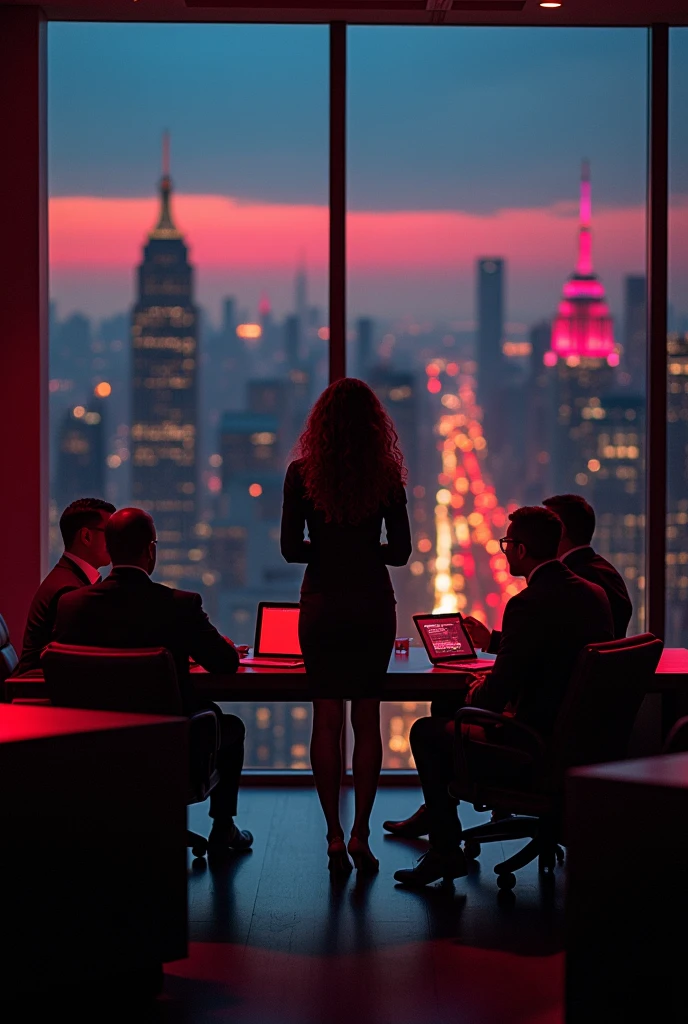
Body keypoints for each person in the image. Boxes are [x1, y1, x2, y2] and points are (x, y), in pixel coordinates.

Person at [393, 505, 613, 887]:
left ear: (522, 550)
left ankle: (445, 851)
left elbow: (492, 701)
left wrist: (482, 686)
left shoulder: (527, 604)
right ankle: (443, 833)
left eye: (507, 543)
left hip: (533, 746)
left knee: (426, 732)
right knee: (448, 708)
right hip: (581, 741)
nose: (503, 550)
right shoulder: (594, 594)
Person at [53, 507, 252, 852]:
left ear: (110, 550)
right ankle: (224, 829)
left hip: (92, 749)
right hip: (168, 748)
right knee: (229, 726)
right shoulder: (178, 605)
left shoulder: (71, 606)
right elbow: (226, 663)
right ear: (150, 550)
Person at [280, 378, 412, 875]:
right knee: (367, 720)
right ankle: (361, 834)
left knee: (327, 718)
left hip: (323, 604)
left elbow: (292, 550)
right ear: (375, 427)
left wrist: (330, 550)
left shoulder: (301, 474)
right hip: (371, 603)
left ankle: (332, 836)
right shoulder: (386, 478)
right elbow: (399, 553)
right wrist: (362, 550)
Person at [15, 498, 115, 676]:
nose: (115, 542)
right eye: (109, 533)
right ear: (86, 536)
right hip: (38, 691)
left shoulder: (68, 577)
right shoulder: (69, 590)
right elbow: (75, 660)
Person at [542, 493, 632, 640]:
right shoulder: (607, 571)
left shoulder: (569, 579)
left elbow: (550, 643)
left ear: (561, 530)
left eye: (542, 526)